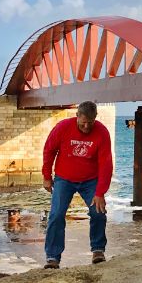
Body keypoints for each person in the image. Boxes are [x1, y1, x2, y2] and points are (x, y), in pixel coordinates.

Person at [42, 100, 113, 268]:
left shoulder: (102, 132)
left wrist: (100, 192)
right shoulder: (63, 127)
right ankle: (53, 257)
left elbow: (106, 163)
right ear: (77, 117)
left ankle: (98, 250)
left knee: (98, 212)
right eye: (83, 123)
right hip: (64, 179)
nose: (87, 127)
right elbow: (49, 150)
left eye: (90, 122)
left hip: (90, 180)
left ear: (96, 118)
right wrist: (46, 176)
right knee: (56, 215)